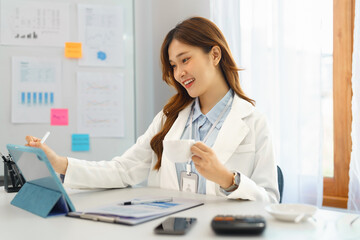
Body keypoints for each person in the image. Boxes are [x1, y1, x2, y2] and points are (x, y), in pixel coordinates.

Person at [26, 17, 279, 203]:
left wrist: (228, 179)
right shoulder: (169, 119)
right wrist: (59, 163)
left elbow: (269, 201)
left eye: (185, 59)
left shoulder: (254, 123)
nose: (179, 73)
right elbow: (123, 170)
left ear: (214, 55)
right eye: (173, 65)